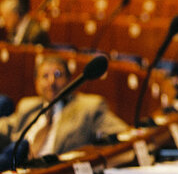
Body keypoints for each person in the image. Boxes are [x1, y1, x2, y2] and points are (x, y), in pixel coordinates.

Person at [0, 55, 129, 158]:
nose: (52, 82)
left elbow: (125, 134)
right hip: (19, 173)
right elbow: (6, 126)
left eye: (58, 75)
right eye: (45, 76)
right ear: (36, 83)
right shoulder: (27, 106)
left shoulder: (88, 107)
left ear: (69, 80)